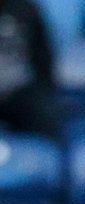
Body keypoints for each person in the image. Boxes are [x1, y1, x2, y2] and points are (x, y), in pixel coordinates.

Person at [0, 0, 61, 136]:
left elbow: (43, 61)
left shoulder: (27, 10)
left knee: (45, 111)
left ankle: (44, 155)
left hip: (19, 92)